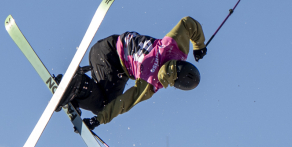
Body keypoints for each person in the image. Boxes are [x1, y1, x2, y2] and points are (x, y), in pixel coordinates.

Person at [57, 17, 208, 129]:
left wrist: (199, 45)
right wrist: (98, 120)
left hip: (109, 47)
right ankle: (77, 85)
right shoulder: (151, 82)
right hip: (110, 58)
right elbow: (124, 103)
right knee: (103, 105)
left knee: (103, 98)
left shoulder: (175, 47)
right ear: (174, 83)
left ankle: (77, 94)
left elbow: (188, 23)